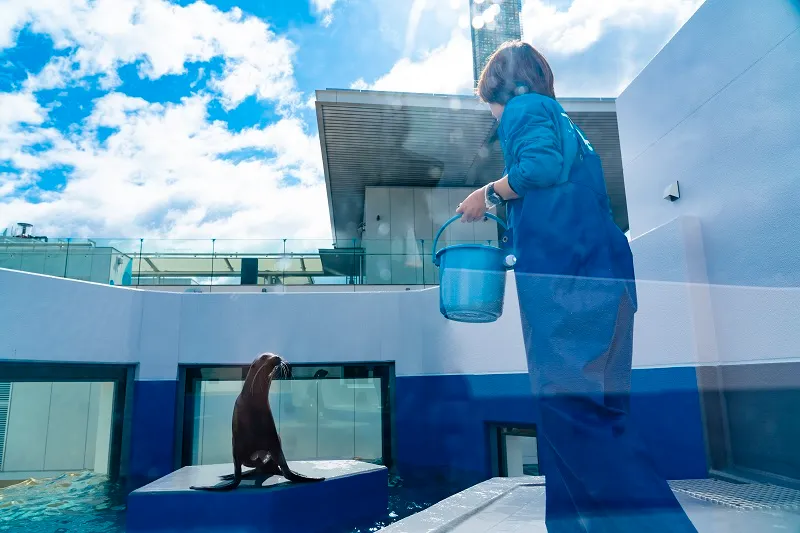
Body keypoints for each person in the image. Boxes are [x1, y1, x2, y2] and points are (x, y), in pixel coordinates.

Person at [456, 41, 698, 532]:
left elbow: (537, 169)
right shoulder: (567, 126)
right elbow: (556, 185)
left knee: (575, 418)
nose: (496, 117)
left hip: (568, 288)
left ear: (502, 89)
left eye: (491, 105)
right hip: (605, 282)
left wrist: (487, 193)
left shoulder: (525, 109)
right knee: (596, 414)